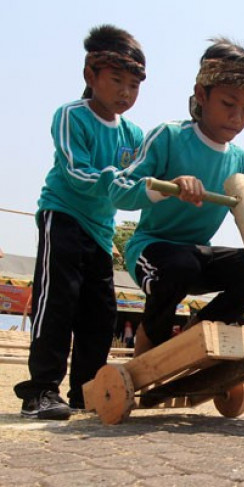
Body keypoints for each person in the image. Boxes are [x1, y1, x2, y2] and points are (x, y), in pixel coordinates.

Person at [109, 37, 244, 354]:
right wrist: (168, 186)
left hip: (195, 256)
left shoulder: (238, 159)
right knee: (181, 265)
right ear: (202, 95)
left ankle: (200, 329)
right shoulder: (170, 136)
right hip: (152, 254)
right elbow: (118, 192)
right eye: (228, 105)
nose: (237, 117)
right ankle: (150, 343)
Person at [13, 25, 147, 420]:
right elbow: (77, 173)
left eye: (134, 86)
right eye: (117, 80)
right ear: (91, 76)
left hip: (101, 233)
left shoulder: (133, 134)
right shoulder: (72, 116)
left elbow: (136, 186)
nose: (125, 92)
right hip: (65, 217)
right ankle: (40, 392)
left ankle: (86, 391)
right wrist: (118, 181)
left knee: (100, 312)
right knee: (57, 303)